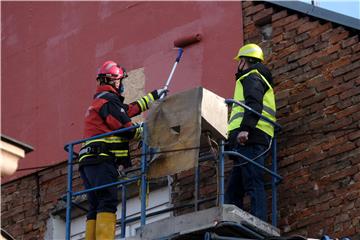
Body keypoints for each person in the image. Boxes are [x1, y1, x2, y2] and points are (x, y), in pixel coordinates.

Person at [79, 60, 165, 239]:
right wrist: (144, 130)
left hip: (90, 162)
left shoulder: (102, 101)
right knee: (108, 200)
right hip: (101, 159)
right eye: (121, 81)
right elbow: (124, 127)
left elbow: (127, 110)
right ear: (114, 81)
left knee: (95, 204)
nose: (122, 85)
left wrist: (154, 96)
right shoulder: (108, 101)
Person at [225, 43, 276, 221]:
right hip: (247, 139)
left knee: (253, 181)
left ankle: (258, 220)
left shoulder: (252, 76)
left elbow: (254, 104)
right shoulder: (253, 77)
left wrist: (245, 129)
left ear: (245, 60)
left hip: (251, 137)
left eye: (239, 61)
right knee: (233, 189)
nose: (238, 65)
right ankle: (233, 220)